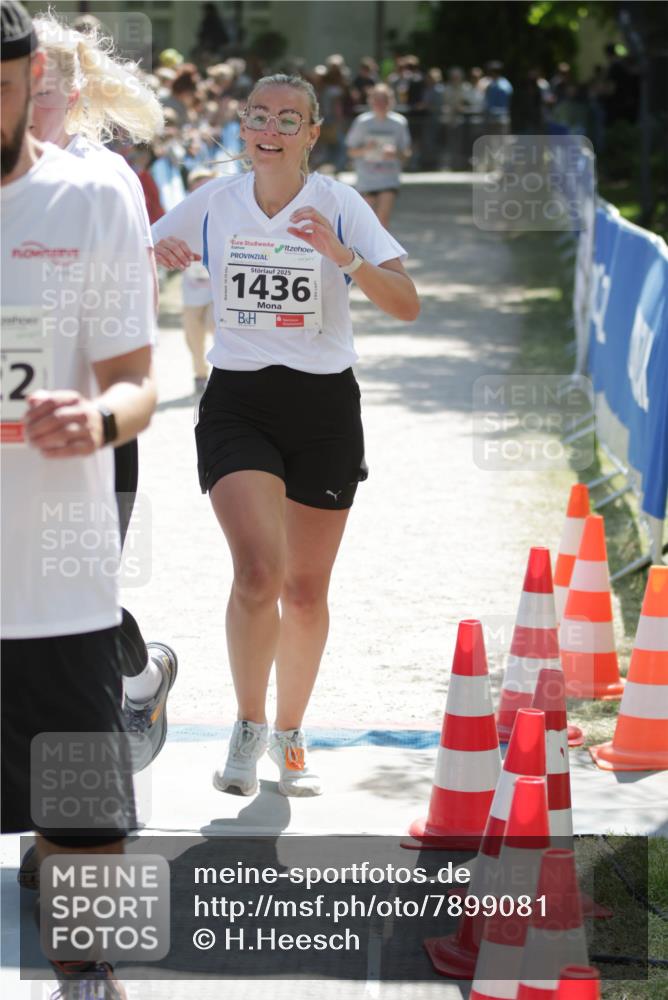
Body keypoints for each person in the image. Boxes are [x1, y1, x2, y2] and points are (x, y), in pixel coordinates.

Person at [152, 73, 419, 798]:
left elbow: (408, 305)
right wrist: (162, 256)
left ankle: (291, 731)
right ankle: (247, 723)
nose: (269, 128)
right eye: (257, 116)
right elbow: (140, 255)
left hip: (325, 407)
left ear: (310, 134)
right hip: (239, 399)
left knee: (304, 591)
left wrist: (346, 258)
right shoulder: (215, 198)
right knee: (257, 573)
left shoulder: (340, 203)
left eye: (287, 118)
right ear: (244, 127)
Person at [1, 3, 156, 997]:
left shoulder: (91, 196)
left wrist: (98, 421)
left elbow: (139, 382)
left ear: (31, 79)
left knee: (86, 866)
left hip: (56, 581)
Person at [29, 11, 178, 783]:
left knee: (68, 611)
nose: (31, 104)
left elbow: (136, 331)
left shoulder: (103, 180)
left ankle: (133, 684)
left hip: (87, 435)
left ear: (74, 91)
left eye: (47, 90)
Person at [345, 82, 412, 229]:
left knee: (382, 222)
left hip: (389, 179)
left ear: (391, 101)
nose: (381, 104)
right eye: (377, 100)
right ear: (371, 102)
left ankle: (382, 252)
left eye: (385, 100)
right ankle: (365, 252)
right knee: (367, 224)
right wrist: (366, 149)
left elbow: (406, 153)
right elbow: (350, 151)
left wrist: (396, 153)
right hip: (367, 179)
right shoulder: (362, 122)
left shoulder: (399, 122)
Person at [182, 166, 217, 395]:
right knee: (194, 335)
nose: (202, 185)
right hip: (192, 286)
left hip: (218, 286)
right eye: (198, 181)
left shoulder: (224, 208)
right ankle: (200, 374)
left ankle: (221, 373)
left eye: (207, 180)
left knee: (218, 327)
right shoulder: (182, 210)